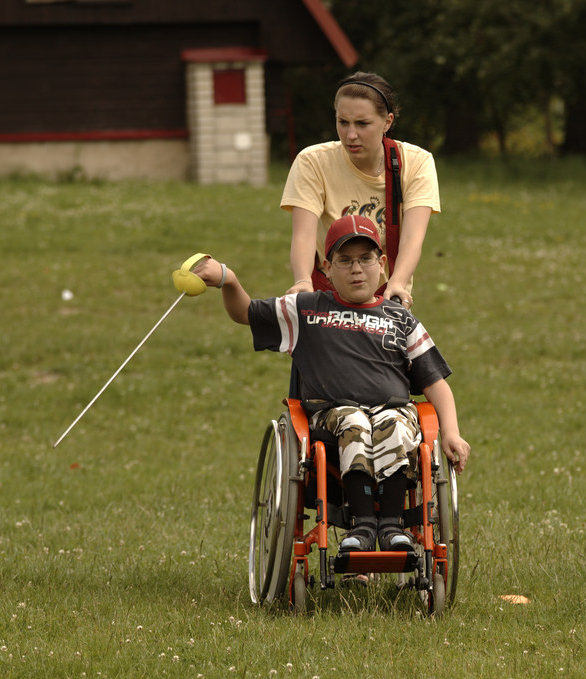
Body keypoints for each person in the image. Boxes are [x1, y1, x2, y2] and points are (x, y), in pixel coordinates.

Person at [191, 214, 470, 554]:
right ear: (326, 267)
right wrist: (228, 280)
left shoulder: (401, 320)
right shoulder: (307, 311)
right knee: (354, 420)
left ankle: (393, 526)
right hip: (330, 417)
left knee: (396, 423)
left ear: (382, 264)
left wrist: (452, 432)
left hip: (392, 412)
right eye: (345, 260)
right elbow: (246, 313)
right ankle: (363, 525)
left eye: (366, 259)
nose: (356, 269)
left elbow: (435, 383)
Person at [280, 71, 440, 311]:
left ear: (387, 122)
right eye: (343, 122)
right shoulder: (312, 161)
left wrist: (397, 284)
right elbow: (303, 235)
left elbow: (411, 238)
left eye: (362, 124)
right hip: (328, 294)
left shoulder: (417, 162)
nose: (350, 135)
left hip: (385, 296)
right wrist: (303, 281)